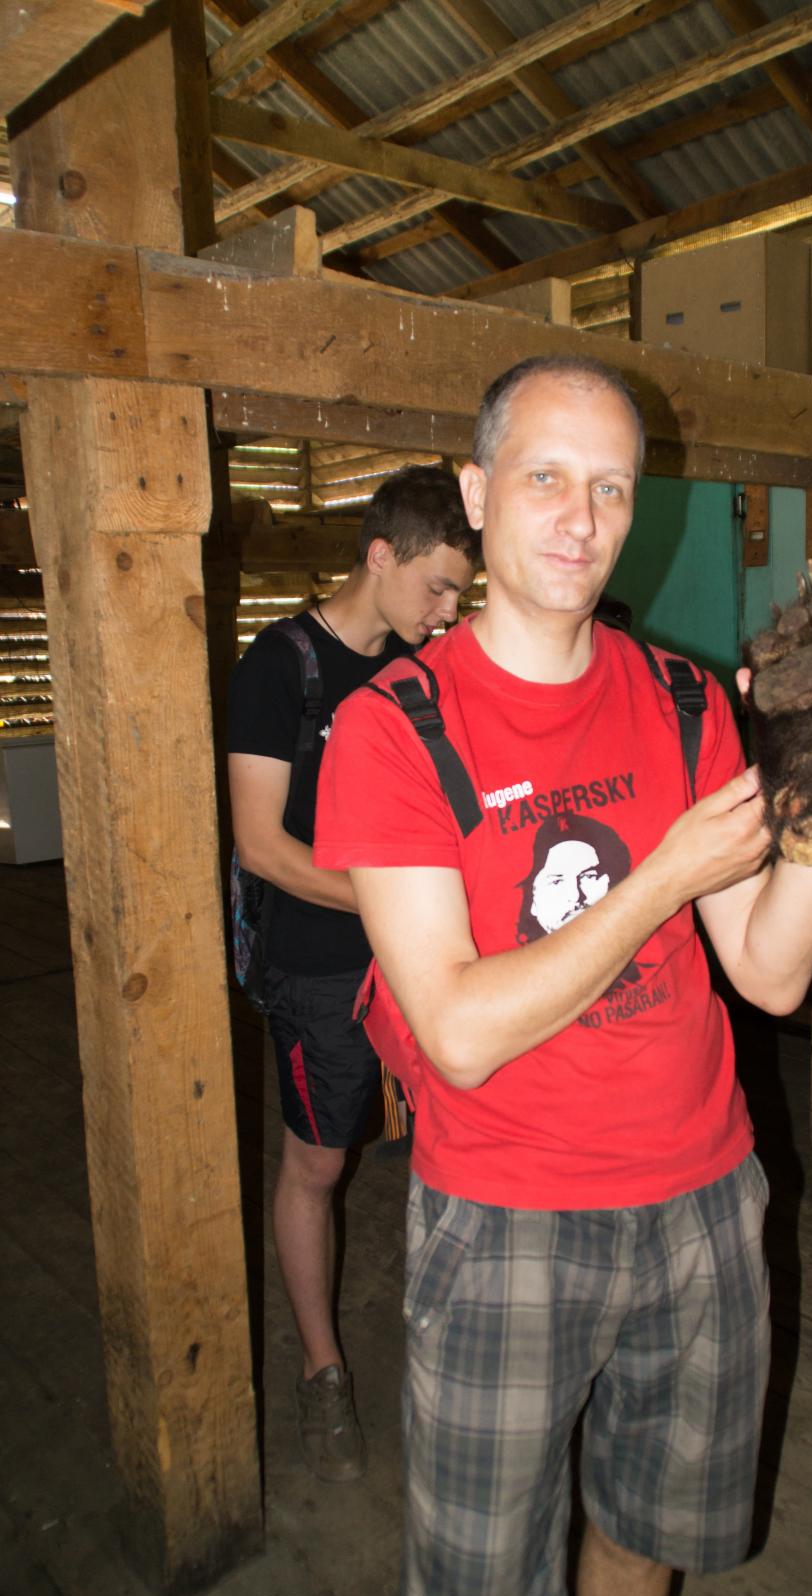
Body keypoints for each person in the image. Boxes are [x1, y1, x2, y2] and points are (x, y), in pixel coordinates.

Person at [314, 355, 812, 1594]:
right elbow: (455, 1031)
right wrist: (657, 878)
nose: (580, 517)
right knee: (482, 1574)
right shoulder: (392, 726)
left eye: (610, 487)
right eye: (544, 477)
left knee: (644, 1537)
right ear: (476, 492)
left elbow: (769, 975)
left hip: (703, 1200)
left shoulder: (682, 699)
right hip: (506, 1219)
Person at [227, 464, 479, 1483]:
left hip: (426, 964)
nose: (448, 610)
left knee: (454, 1142)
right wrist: (395, 905)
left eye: (460, 591)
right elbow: (261, 846)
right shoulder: (279, 666)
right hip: (319, 964)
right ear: (379, 555)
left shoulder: (426, 668)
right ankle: (321, 1368)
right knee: (319, 1166)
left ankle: (459, 1331)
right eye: (437, 586)